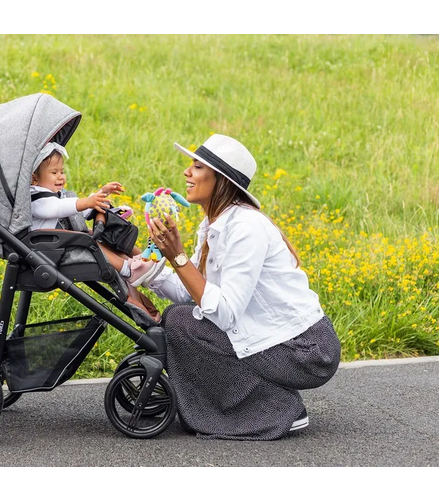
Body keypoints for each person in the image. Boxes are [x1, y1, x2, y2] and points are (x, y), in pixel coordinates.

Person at [143, 133, 342, 441]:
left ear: (219, 179)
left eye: (196, 167)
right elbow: (189, 292)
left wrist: (177, 256)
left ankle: (276, 409)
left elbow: (224, 314)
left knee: (182, 321)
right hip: (276, 339)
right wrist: (141, 270)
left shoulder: (246, 228)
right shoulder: (214, 225)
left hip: (307, 351)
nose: (186, 172)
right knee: (180, 315)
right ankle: (263, 399)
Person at [30, 142, 166, 288]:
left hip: (61, 243)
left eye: (62, 172)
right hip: (47, 250)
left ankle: (138, 262)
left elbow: (79, 211)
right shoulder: (37, 200)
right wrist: (87, 202)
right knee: (89, 241)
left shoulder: (56, 195)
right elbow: (60, 208)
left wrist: (101, 194)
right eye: (54, 173)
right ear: (34, 179)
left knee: (96, 237)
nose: (60, 177)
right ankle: (128, 271)